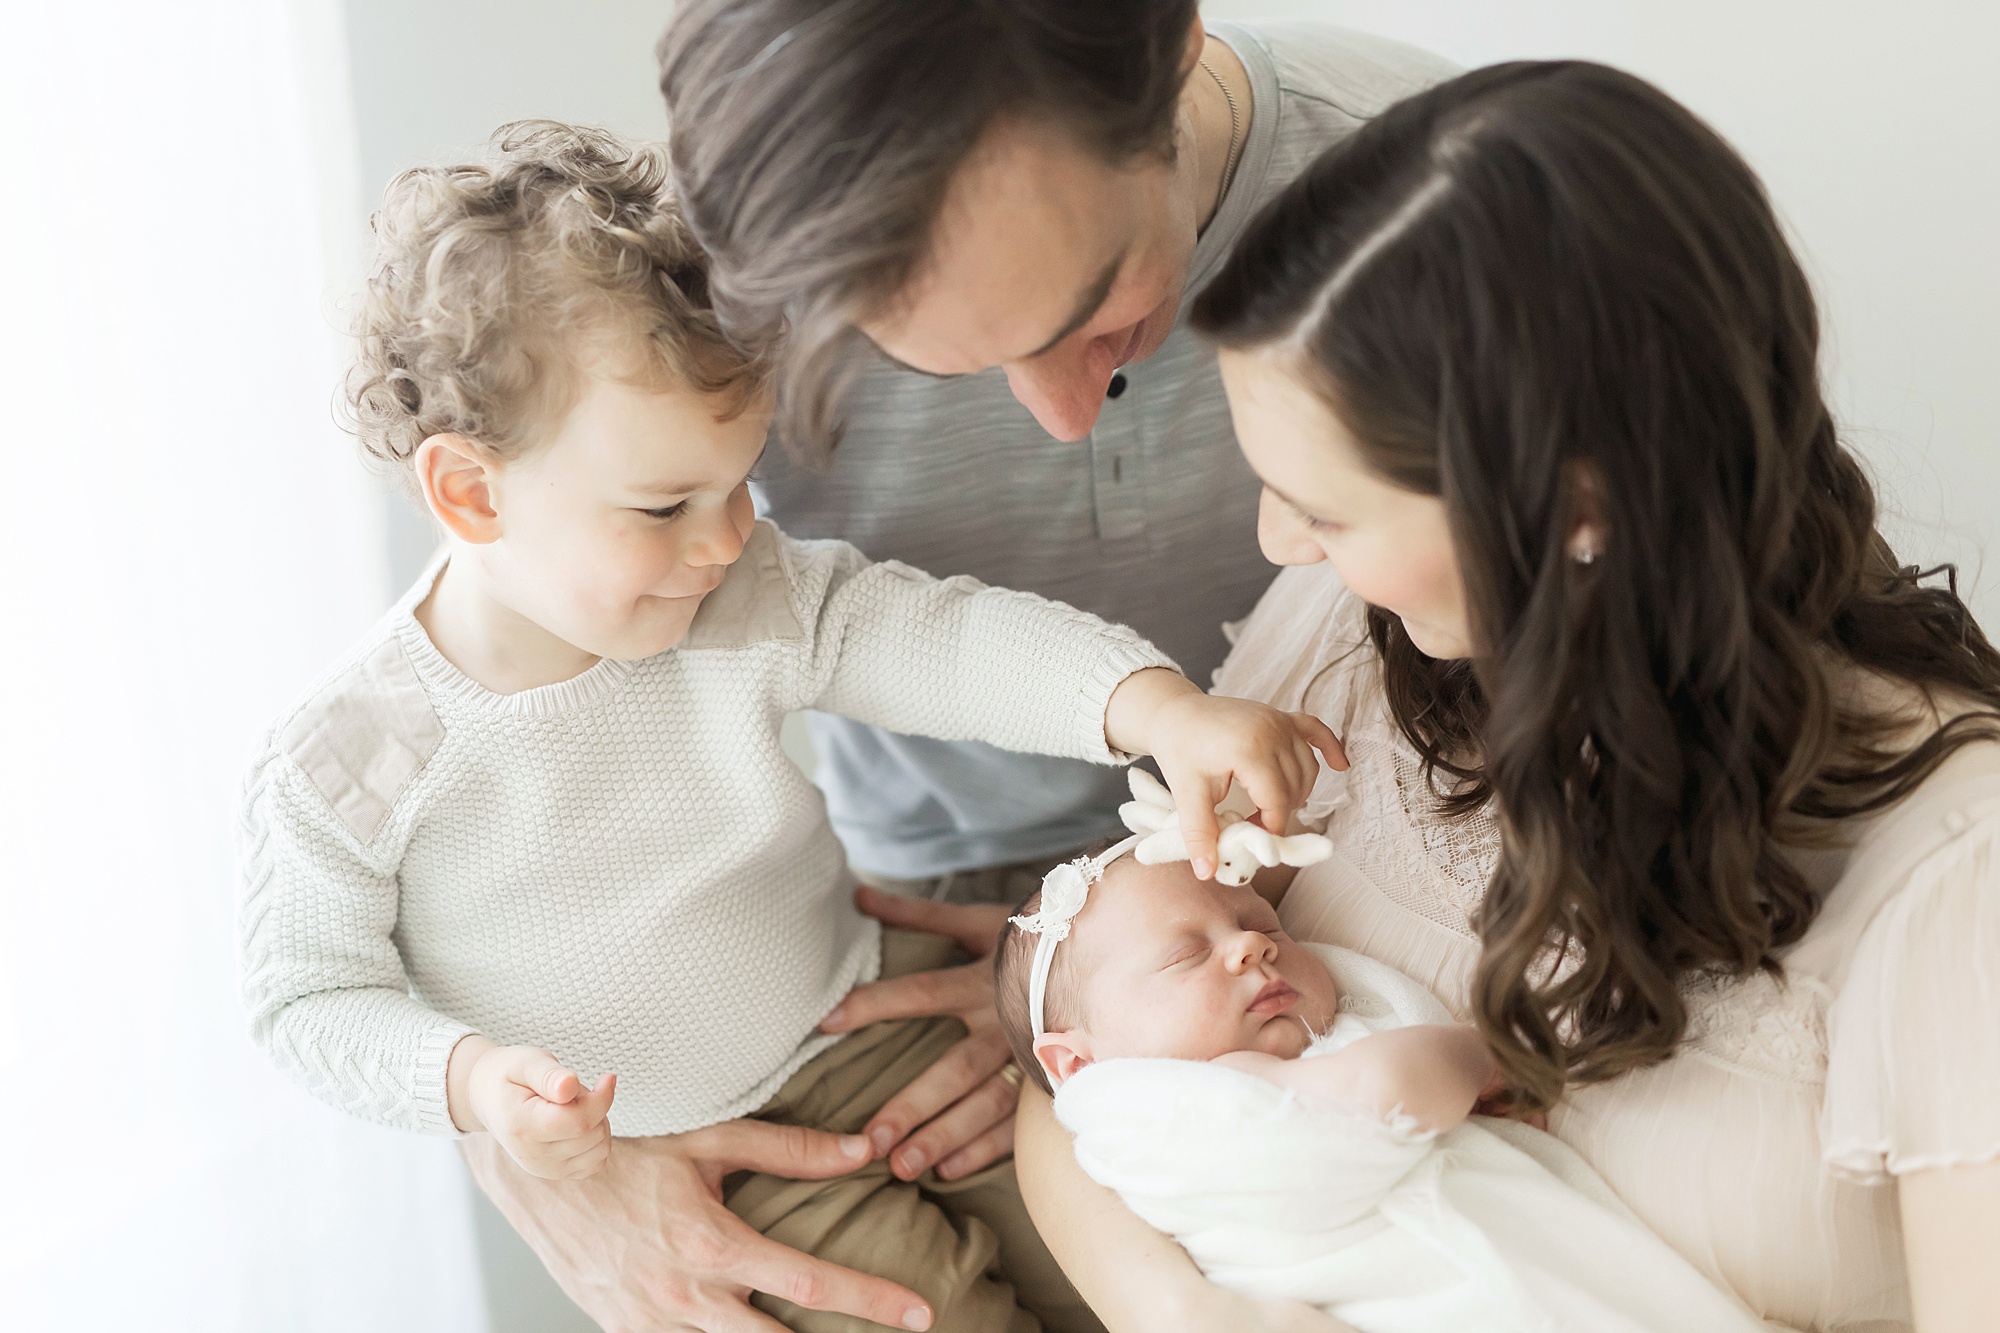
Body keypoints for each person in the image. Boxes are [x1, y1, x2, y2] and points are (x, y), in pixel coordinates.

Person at [235, 122, 1337, 1333]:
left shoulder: (739, 592)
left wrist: (1153, 707)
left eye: (739, 485)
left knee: (1160, 1242)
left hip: (871, 1011)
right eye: (664, 505)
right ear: (469, 490)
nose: (721, 541)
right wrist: (469, 1081)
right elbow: (307, 999)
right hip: (704, 1151)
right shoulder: (347, 756)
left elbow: (935, 640)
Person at [1010, 61, 2000, 1333]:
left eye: (1321, 504)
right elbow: (1084, 1084)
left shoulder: (1955, 887)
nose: (1276, 544)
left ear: (1570, 508)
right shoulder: (1365, 635)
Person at [991, 838, 1768, 1333]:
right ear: (1077, 1066)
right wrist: (1479, 1056)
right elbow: (1370, 1104)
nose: (1251, 948)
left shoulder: (1269, 1054)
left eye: (1265, 924)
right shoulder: (1166, 1110)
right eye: (1185, 956)